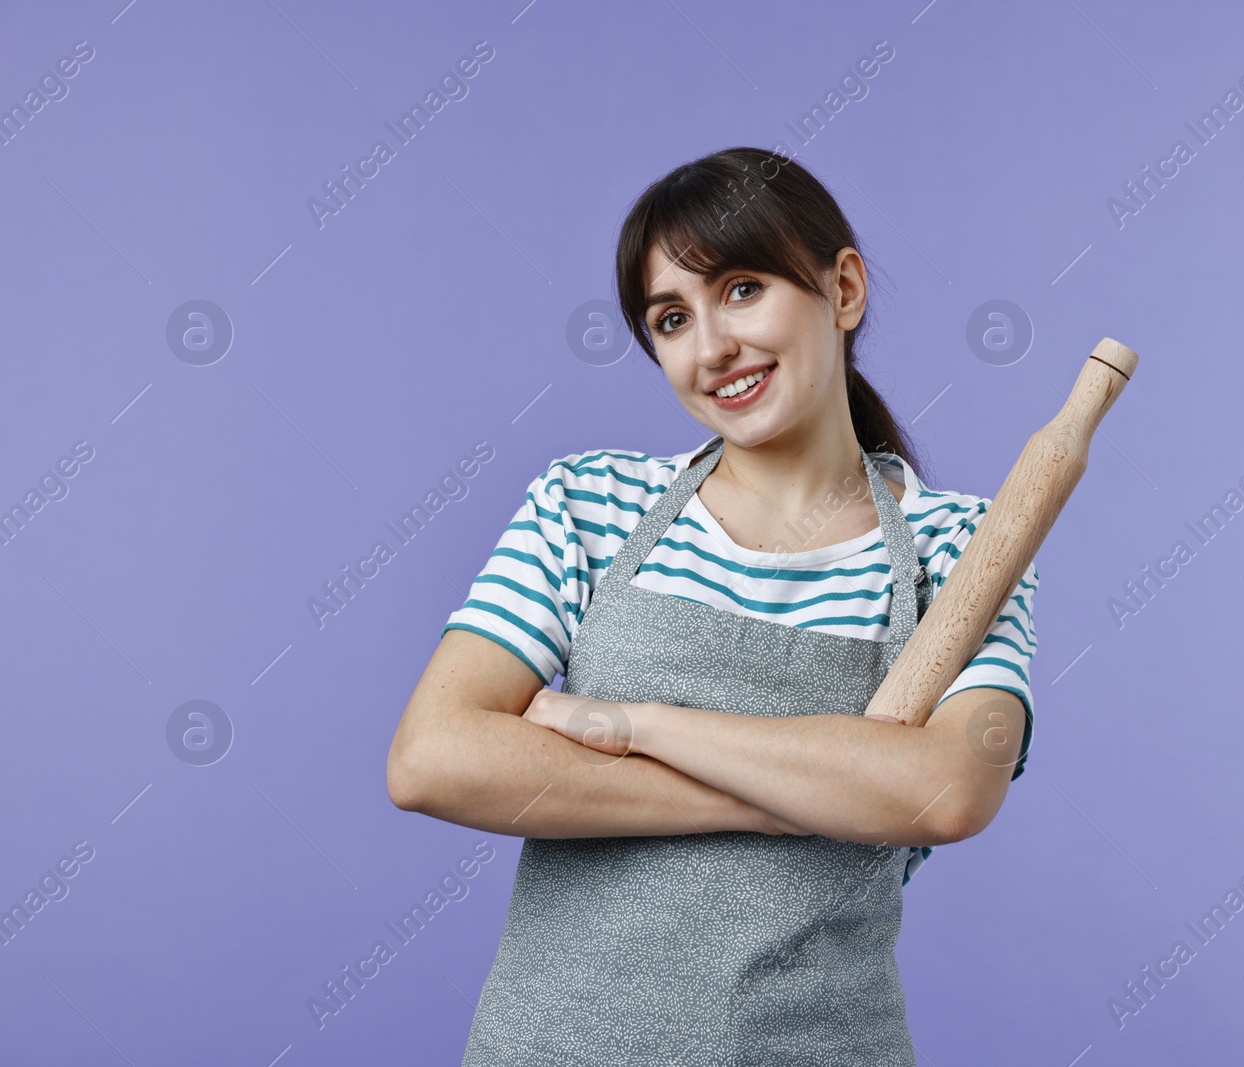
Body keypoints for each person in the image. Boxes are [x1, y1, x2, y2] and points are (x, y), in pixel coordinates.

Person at [385, 146, 1040, 1066]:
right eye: (670, 317)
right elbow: (433, 758)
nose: (711, 348)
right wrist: (795, 799)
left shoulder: (961, 547)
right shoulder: (587, 504)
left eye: (741, 288)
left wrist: (633, 723)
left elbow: (947, 786)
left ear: (843, 288)